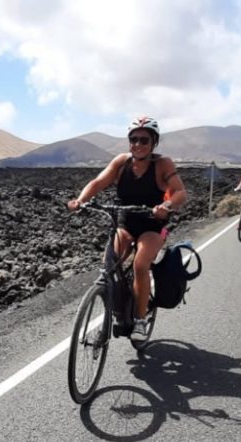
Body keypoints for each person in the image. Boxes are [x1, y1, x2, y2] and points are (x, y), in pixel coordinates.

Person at [67, 116, 187, 342]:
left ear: (154, 142)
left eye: (143, 140)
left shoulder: (163, 164)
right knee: (109, 264)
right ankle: (119, 312)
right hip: (125, 222)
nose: (137, 145)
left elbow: (180, 192)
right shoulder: (121, 163)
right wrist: (80, 201)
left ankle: (140, 319)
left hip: (153, 224)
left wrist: (166, 206)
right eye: (133, 139)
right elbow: (97, 182)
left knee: (141, 264)